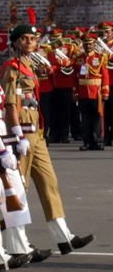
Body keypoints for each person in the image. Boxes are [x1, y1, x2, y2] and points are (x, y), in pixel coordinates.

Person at [7, 16, 93, 256]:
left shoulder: (30, 66)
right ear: (15, 43)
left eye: (33, 39)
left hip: (36, 131)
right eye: (24, 39)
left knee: (49, 182)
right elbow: (10, 103)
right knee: (18, 186)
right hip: (21, 132)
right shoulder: (12, 68)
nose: (29, 42)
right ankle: (17, 242)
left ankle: (64, 236)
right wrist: (15, 133)